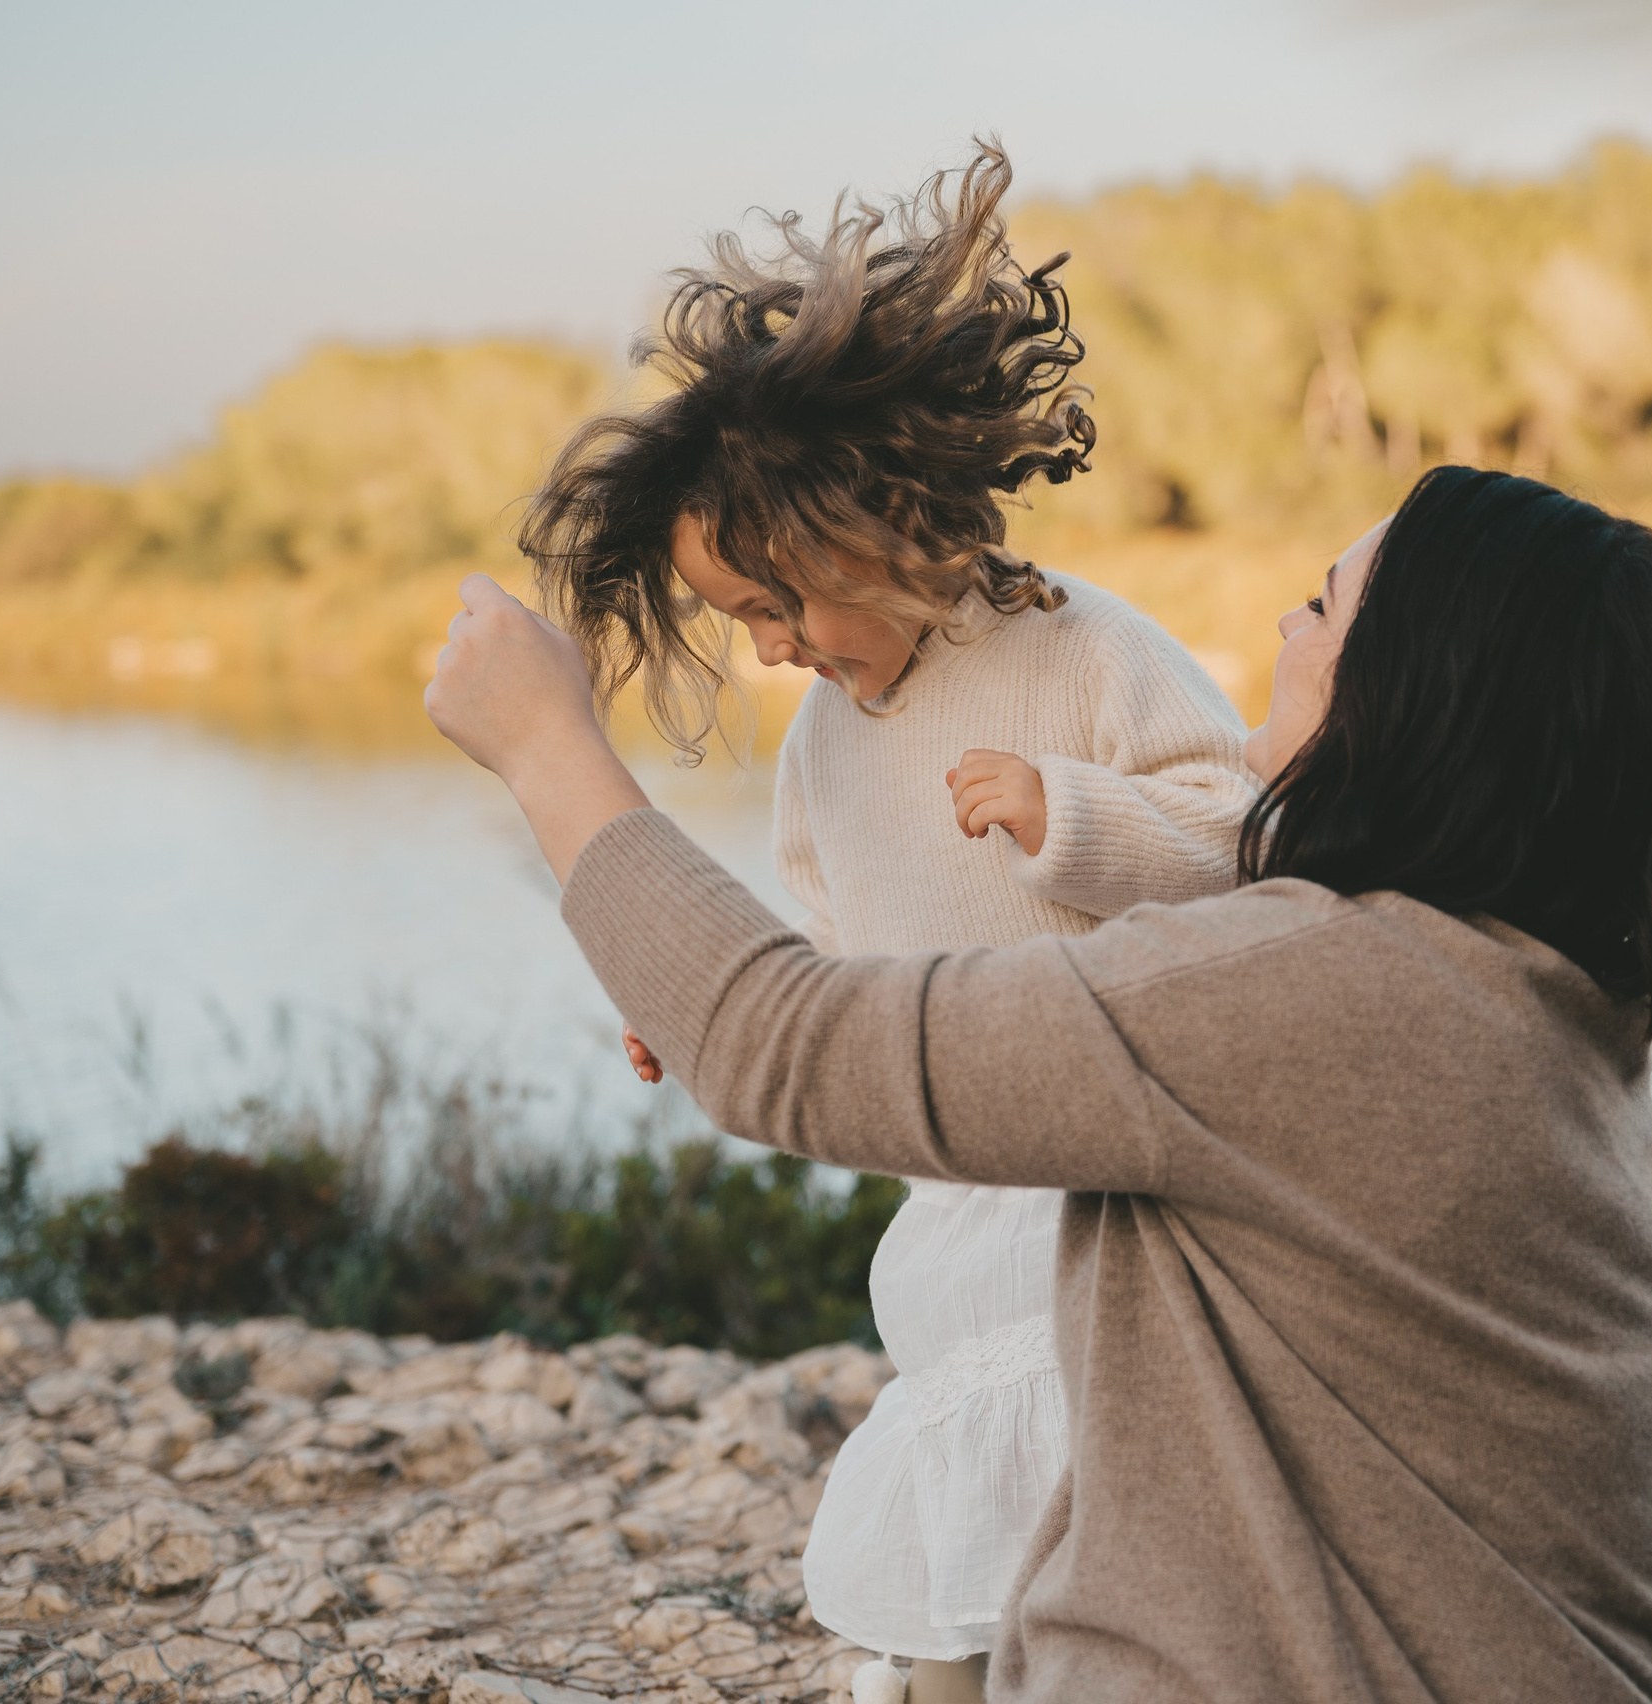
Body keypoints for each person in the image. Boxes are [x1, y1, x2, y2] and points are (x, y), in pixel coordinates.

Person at [428, 463, 1652, 1704]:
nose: (1283, 632)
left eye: (1321, 603)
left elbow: (794, 1049)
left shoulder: (1313, 994)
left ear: (1427, 686)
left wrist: (550, 747)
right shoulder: (1526, 999)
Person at [514, 146, 1254, 1701]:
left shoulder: (1087, 655)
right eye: (742, 625)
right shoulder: (821, 751)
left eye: (784, 605)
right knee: (965, 1504)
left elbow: (1250, 849)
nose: (773, 647)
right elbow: (826, 987)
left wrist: (1076, 821)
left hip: (1106, 1173)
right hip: (955, 1196)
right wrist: (691, 1001)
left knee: (1084, 1475)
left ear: (882, 529)